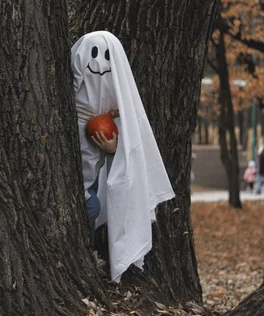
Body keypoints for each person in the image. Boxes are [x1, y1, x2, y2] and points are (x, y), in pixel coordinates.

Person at [72, 31, 175, 282]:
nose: (97, 63)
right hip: (78, 180)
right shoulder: (70, 104)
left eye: (105, 56)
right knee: (91, 205)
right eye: (92, 55)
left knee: (93, 207)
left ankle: (91, 253)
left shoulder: (120, 108)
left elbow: (133, 151)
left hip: (92, 180)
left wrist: (113, 149)